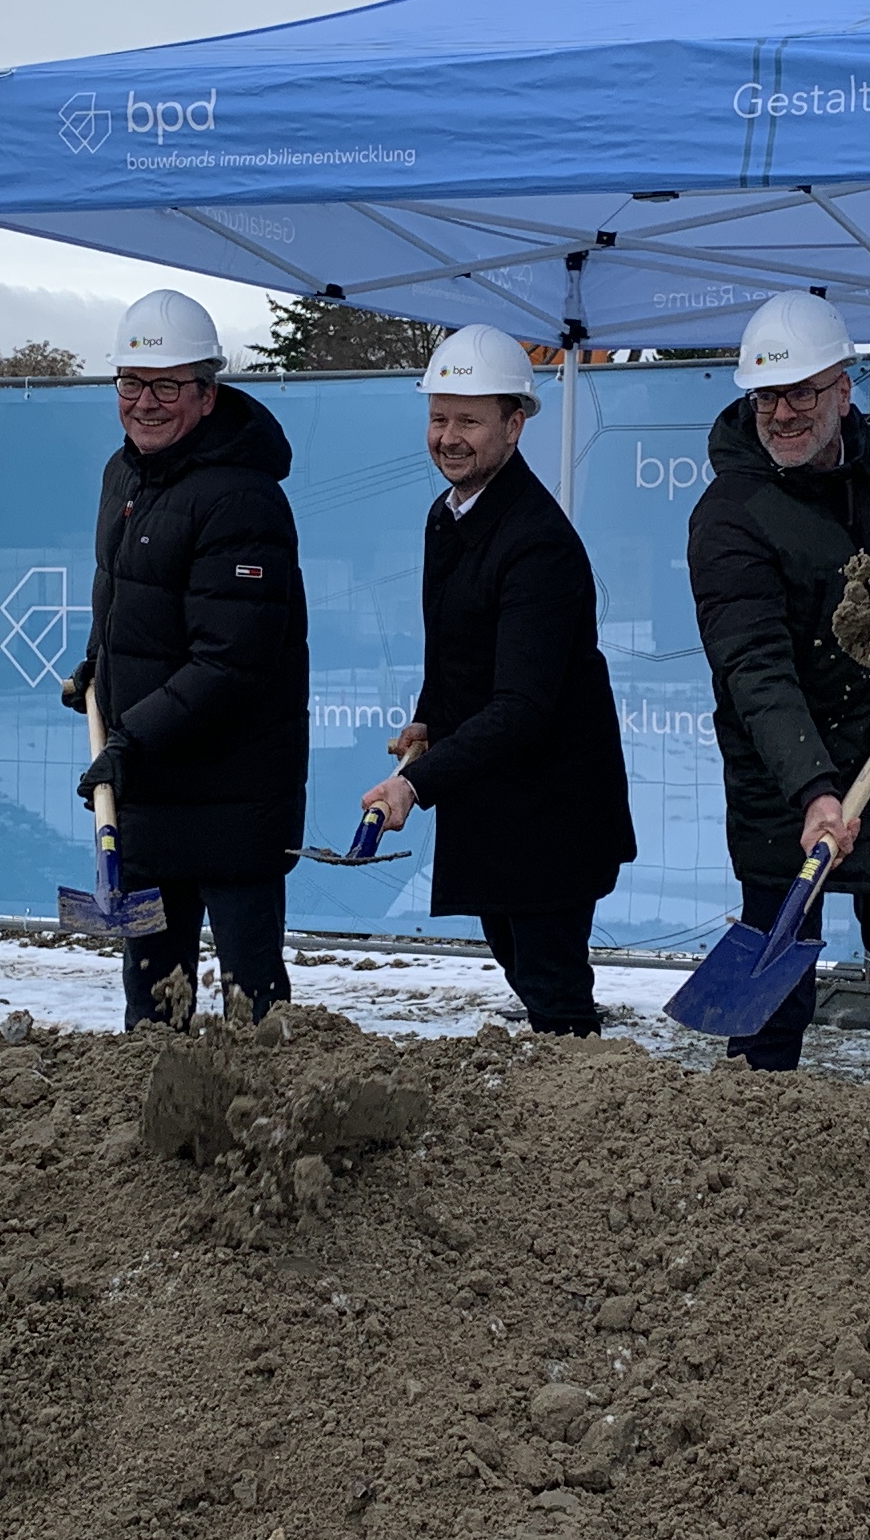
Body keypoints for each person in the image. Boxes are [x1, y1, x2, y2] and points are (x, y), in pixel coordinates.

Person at [685, 290, 870, 1084]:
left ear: (843, 390)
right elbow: (754, 668)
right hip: (787, 779)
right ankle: (751, 1135)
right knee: (779, 976)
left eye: (801, 393)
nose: (782, 413)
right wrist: (814, 790)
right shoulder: (730, 515)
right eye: (766, 396)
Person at [357, 326, 634, 1033]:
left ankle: (579, 1118)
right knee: (521, 964)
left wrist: (415, 785)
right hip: (496, 798)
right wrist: (429, 715)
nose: (449, 437)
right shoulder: (448, 516)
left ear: (514, 426)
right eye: (439, 417)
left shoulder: (536, 542)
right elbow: (459, 646)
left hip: (553, 809)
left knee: (553, 987)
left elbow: (522, 706)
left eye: (469, 421)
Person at [64, 288, 307, 1029]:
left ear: (207, 395)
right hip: (148, 806)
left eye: (167, 386)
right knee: (151, 1004)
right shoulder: (125, 475)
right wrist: (97, 666)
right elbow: (132, 604)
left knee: (252, 1009)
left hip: (234, 807)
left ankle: (269, 1141)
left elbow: (230, 661)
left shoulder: (242, 500)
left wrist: (132, 739)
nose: (145, 402)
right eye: (131, 384)